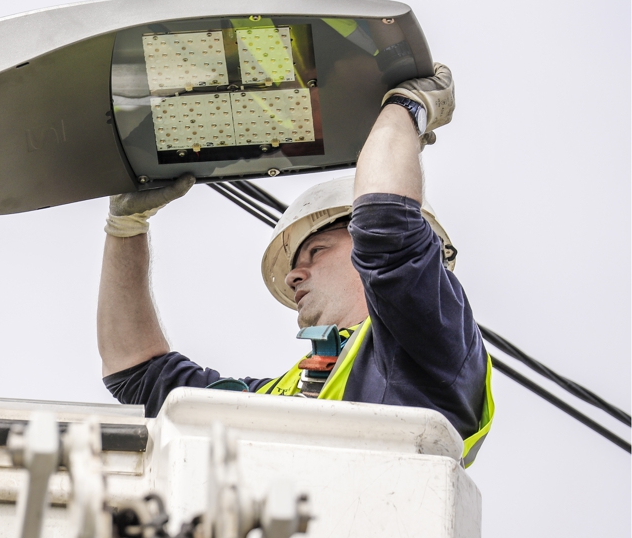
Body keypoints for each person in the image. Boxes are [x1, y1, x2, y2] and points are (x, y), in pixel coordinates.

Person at [97, 64, 493, 465]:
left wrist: (406, 108)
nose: (292, 275)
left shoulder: (433, 343)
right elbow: (136, 372)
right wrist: (125, 228)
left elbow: (387, 229)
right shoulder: (285, 398)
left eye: (317, 251)